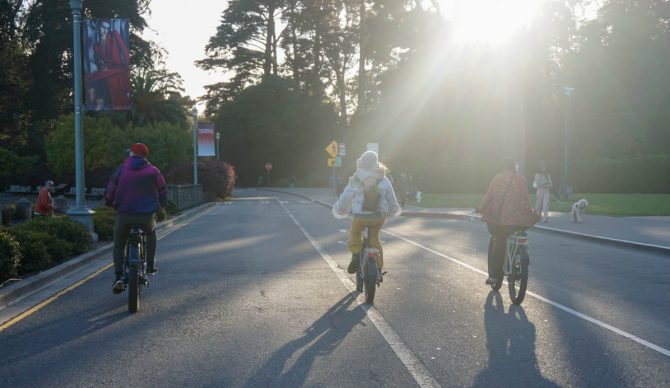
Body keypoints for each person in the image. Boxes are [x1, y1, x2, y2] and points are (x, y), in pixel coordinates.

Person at [105, 143, 168, 294]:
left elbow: (111, 187)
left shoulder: (121, 169)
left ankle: (119, 276)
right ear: (145, 156)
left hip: (124, 215)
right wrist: (163, 205)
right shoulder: (153, 171)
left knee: (119, 244)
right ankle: (151, 265)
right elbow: (162, 189)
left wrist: (108, 202)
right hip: (146, 216)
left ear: (132, 154)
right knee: (151, 233)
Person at [332, 151, 401, 275]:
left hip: (360, 216)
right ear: (376, 163)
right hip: (378, 216)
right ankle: (378, 268)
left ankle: (356, 255)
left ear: (361, 162)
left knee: (355, 233)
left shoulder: (356, 177)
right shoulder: (383, 178)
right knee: (374, 237)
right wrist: (394, 209)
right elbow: (391, 197)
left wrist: (340, 209)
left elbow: (346, 196)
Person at [477, 158, 536, 286]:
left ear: (503, 167)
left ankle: (493, 276)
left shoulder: (497, 179)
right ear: (514, 167)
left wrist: (480, 208)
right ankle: (516, 258)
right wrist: (530, 214)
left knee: (499, 241)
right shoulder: (522, 179)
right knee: (518, 235)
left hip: (502, 221)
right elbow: (526, 198)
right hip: (521, 220)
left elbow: (489, 195)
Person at [86, 20, 131, 110]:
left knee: (97, 89)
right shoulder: (97, 46)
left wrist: (126, 70)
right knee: (91, 88)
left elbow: (125, 53)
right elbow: (99, 62)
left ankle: (98, 105)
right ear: (99, 28)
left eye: (107, 28)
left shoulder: (114, 36)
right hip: (106, 72)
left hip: (118, 70)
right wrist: (103, 66)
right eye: (103, 27)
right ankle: (91, 112)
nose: (104, 31)